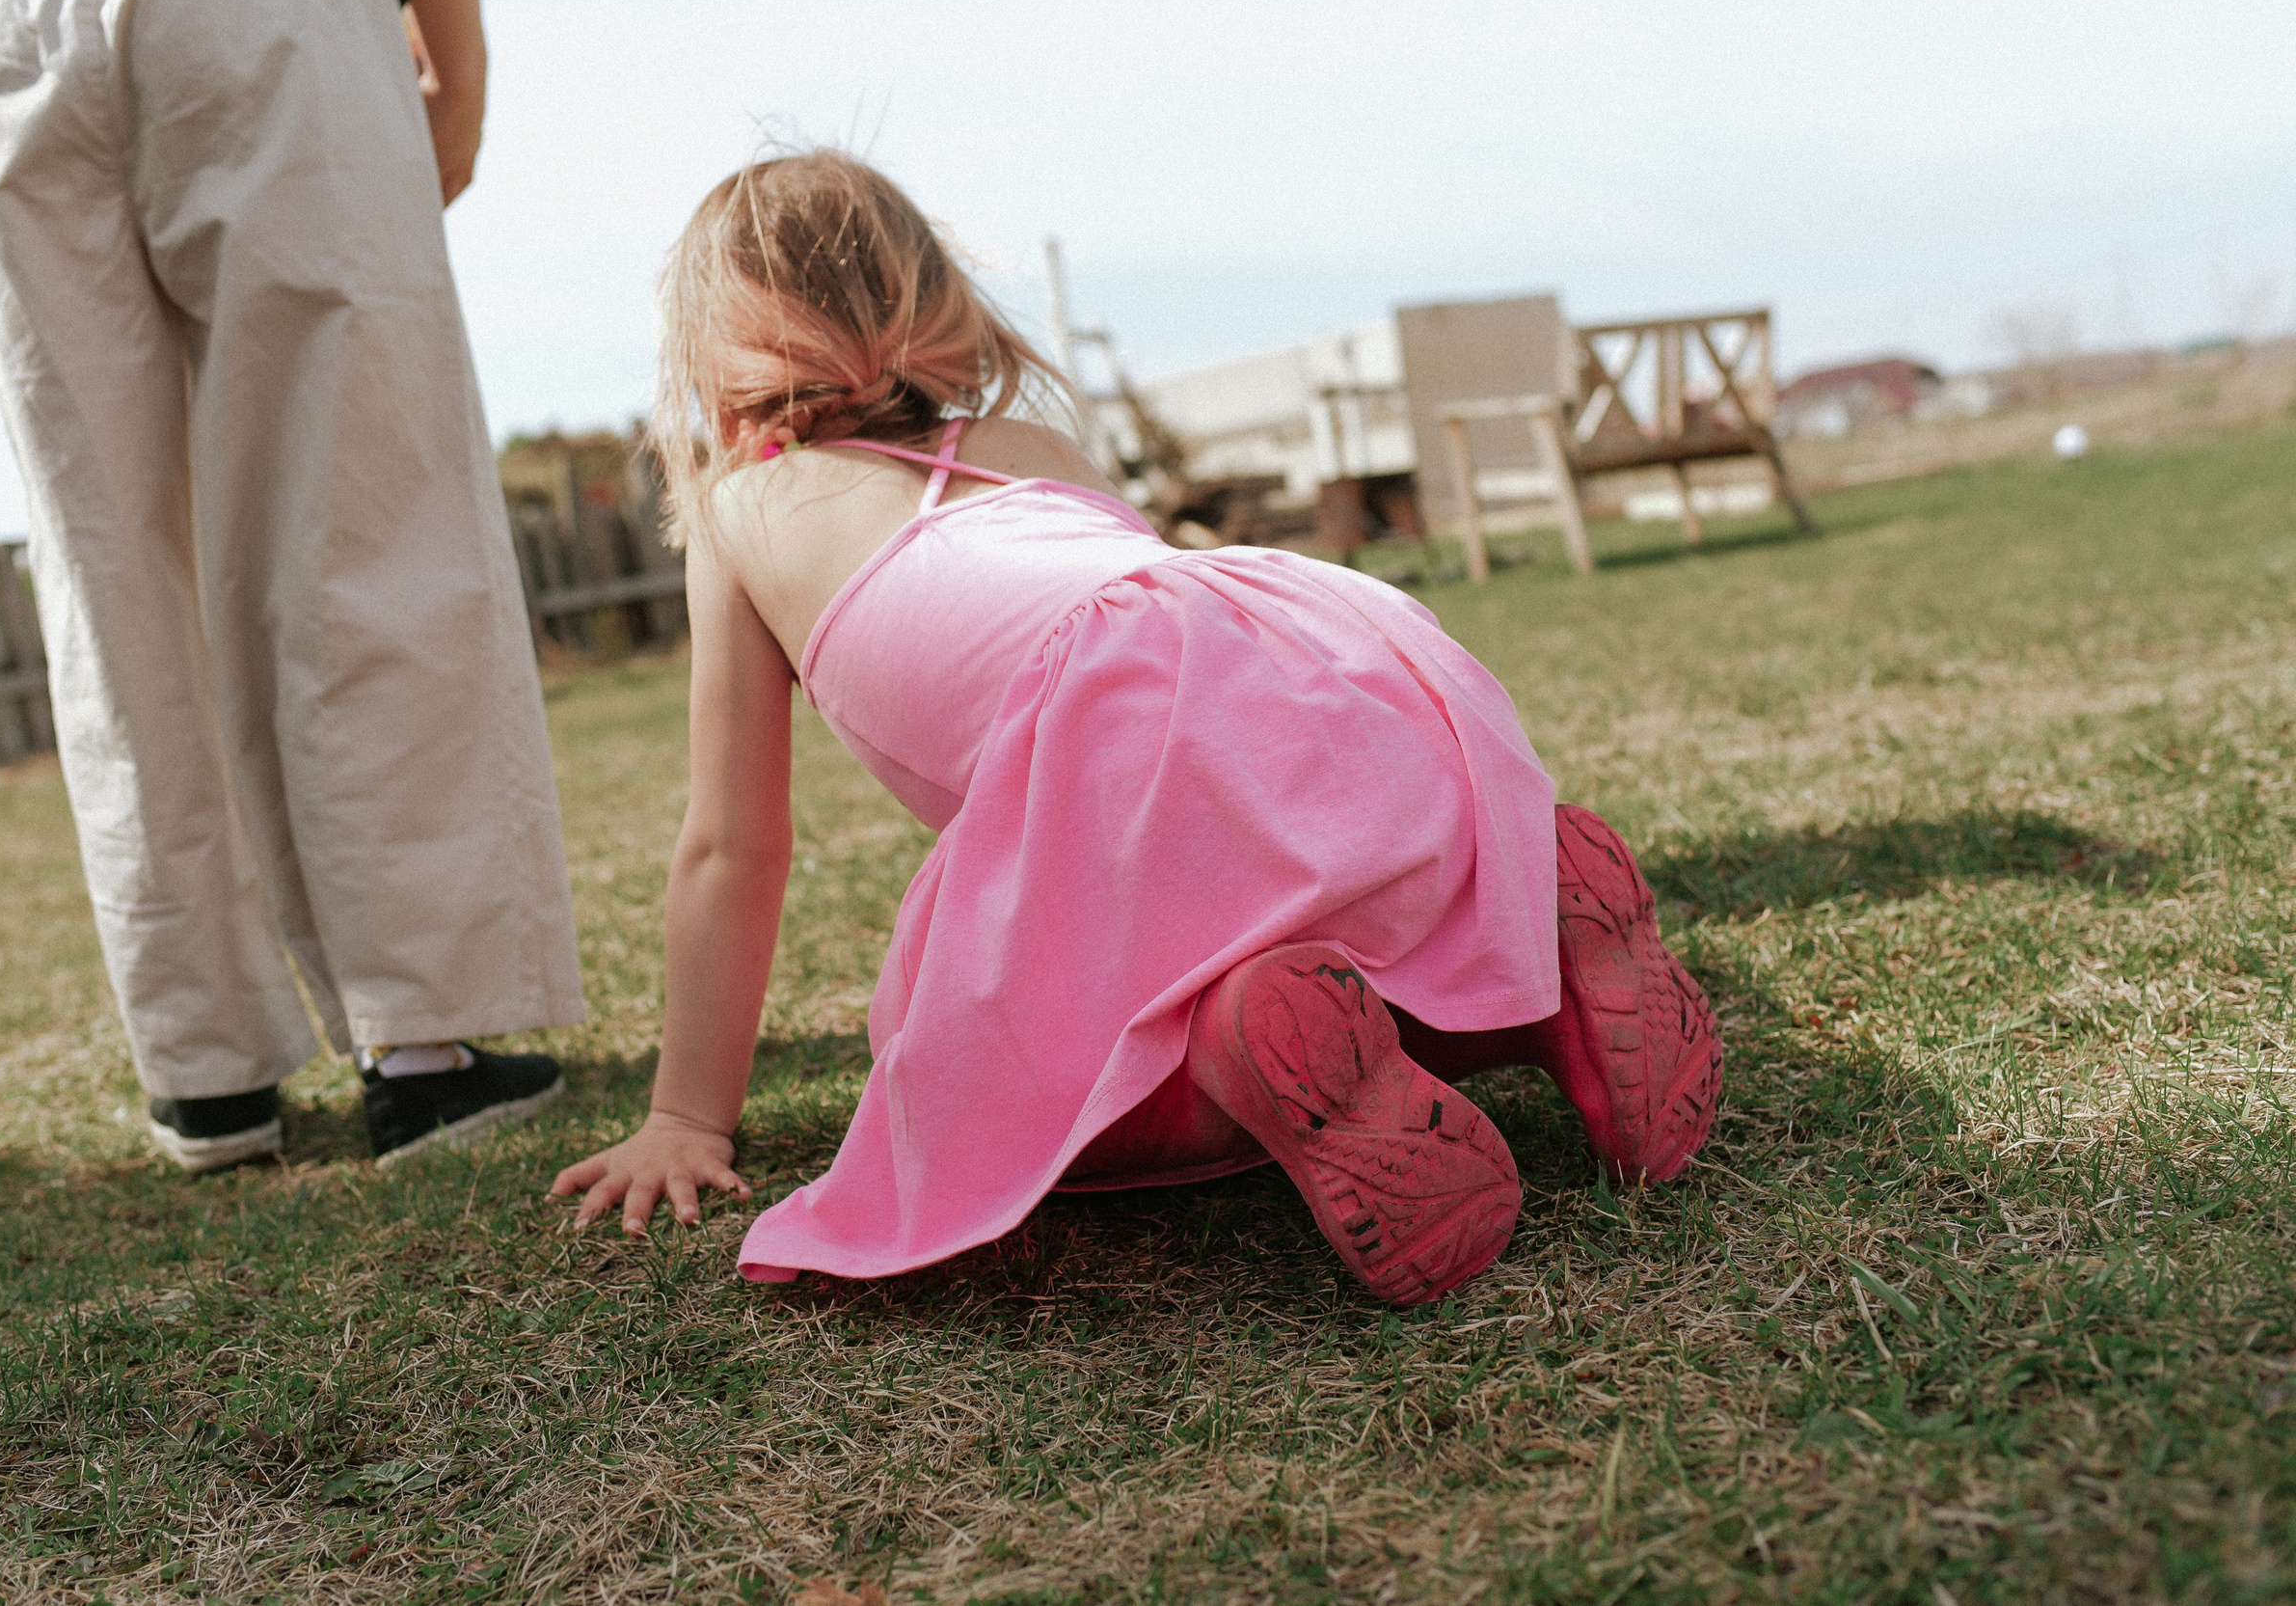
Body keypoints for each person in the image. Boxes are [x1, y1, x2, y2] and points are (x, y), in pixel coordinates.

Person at [552, 151, 1722, 1303]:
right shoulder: (1034, 449)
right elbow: (1176, 649)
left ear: (714, 351)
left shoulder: (741, 511)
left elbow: (732, 846)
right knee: (1354, 924)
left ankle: (1229, 1040)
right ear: (933, 297)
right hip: (1312, 638)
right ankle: (1542, 954)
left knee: (993, 1067)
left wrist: (684, 1113)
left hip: (1113, 727)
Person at [0, 0, 585, 1171]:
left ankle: (207, 1069)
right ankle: (419, 1045)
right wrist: (458, 66)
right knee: (354, 499)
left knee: (104, 548)